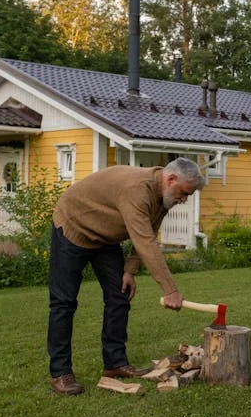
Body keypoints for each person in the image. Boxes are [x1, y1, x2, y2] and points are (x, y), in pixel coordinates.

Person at [47, 157, 206, 395]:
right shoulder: (137, 190)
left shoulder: (163, 198)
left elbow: (148, 231)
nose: (184, 200)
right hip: (73, 228)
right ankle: (61, 373)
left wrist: (129, 271)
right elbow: (145, 242)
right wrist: (170, 290)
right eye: (184, 193)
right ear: (171, 179)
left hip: (105, 238)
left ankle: (115, 364)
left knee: (119, 296)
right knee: (64, 302)